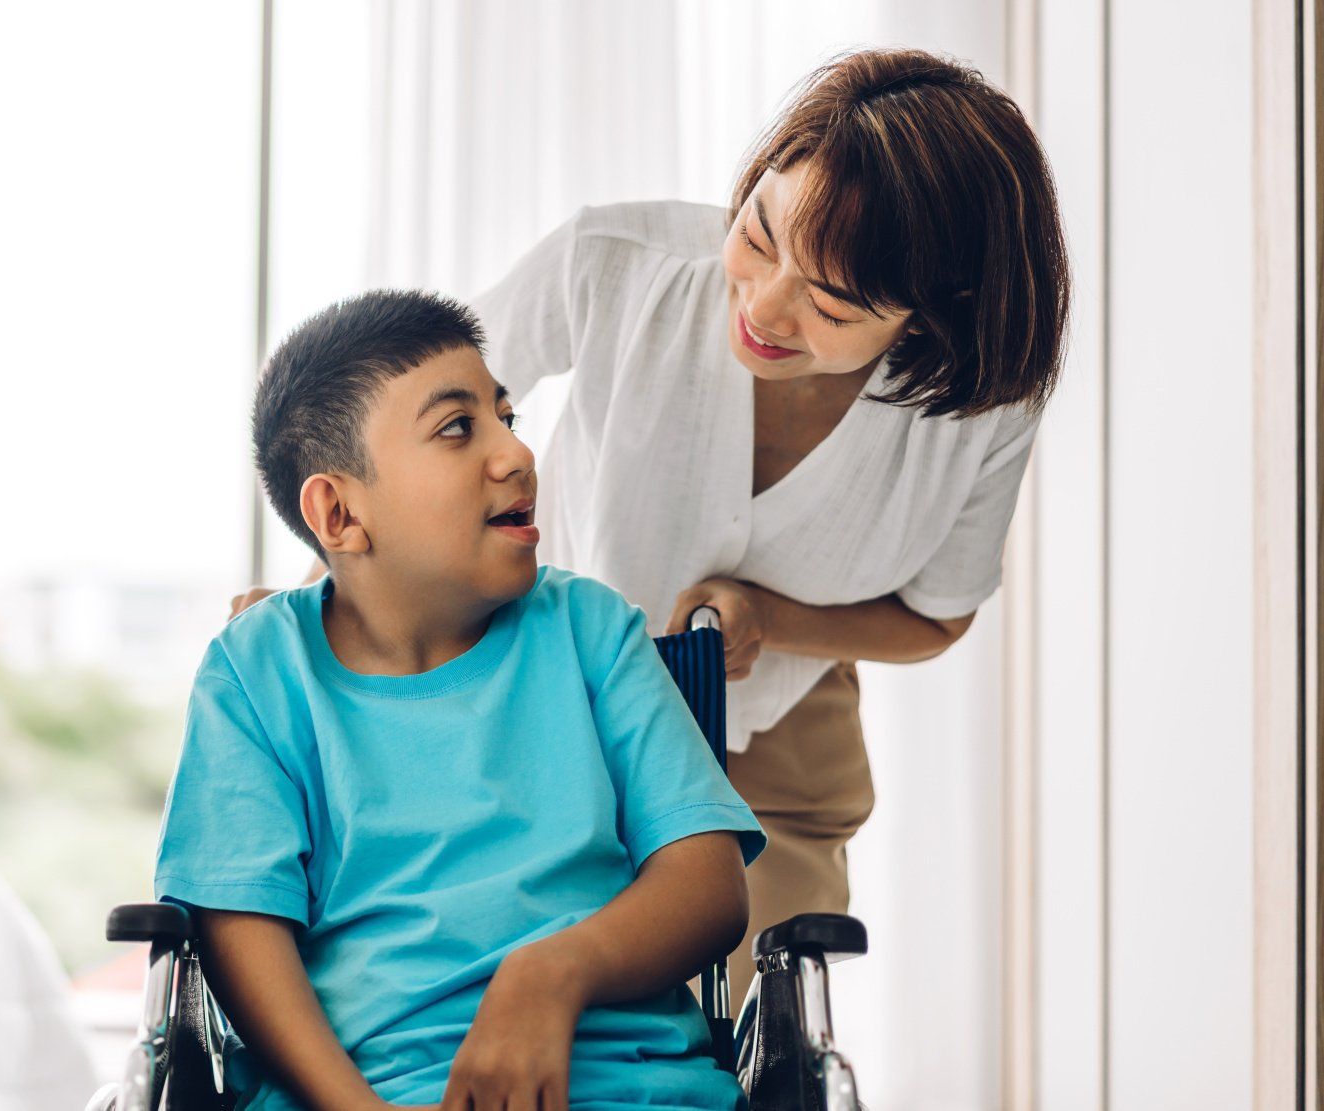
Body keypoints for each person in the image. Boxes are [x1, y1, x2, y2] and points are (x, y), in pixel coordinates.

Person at [230, 48, 1069, 1006]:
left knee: (744, 1044)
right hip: (544, 711)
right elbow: (410, 428)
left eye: (829, 302)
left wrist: (770, 618)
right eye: (758, 237)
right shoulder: (613, 264)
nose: (763, 305)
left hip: (777, 750)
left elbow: (937, 616)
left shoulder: (981, 410)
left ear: (929, 320)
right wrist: (314, 602)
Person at [156, 290, 766, 1111]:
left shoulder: (590, 630)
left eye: (506, 416)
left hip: (635, 1089)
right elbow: (239, 930)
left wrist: (553, 972)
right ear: (338, 512)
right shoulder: (257, 672)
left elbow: (710, 883)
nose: (516, 454)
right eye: (457, 428)